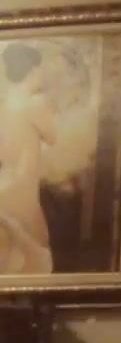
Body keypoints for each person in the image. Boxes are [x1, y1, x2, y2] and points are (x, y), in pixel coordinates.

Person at [0, 42, 56, 275]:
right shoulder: (36, 103)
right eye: (40, 67)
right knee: (36, 256)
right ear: (32, 69)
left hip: (5, 186)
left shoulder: (3, 105)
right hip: (23, 190)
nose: (42, 73)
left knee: (10, 259)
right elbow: (52, 136)